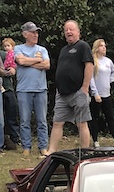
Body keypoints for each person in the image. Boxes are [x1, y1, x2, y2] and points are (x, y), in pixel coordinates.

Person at [46, 20, 93, 154]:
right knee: (57, 123)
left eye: (71, 29)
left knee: (81, 123)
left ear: (78, 32)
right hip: (62, 94)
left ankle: (84, 153)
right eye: (66, 30)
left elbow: (89, 66)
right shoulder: (63, 50)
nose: (68, 32)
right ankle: (51, 151)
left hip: (78, 92)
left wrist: (85, 88)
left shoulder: (83, 46)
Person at [14, 21, 50, 157]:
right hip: (23, 89)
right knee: (24, 121)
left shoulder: (42, 49)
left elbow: (47, 65)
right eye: (33, 32)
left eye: (36, 32)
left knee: (42, 120)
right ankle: (26, 147)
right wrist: (37, 60)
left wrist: (29, 61)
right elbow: (20, 61)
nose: (35, 35)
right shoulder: (18, 48)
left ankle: (43, 147)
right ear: (25, 34)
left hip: (41, 89)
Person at [88, 39, 114, 148]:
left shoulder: (108, 61)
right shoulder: (93, 61)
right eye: (101, 46)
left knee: (110, 117)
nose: (104, 48)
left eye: (105, 46)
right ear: (97, 48)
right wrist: (95, 93)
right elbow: (90, 78)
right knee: (95, 118)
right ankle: (95, 140)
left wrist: (110, 80)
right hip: (97, 95)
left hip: (107, 94)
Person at [1, 37, 20, 149]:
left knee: (12, 113)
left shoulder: (13, 55)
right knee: (0, 116)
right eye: (5, 46)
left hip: (9, 88)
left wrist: (14, 69)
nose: (6, 48)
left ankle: (15, 137)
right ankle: (3, 138)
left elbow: (17, 65)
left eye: (8, 46)